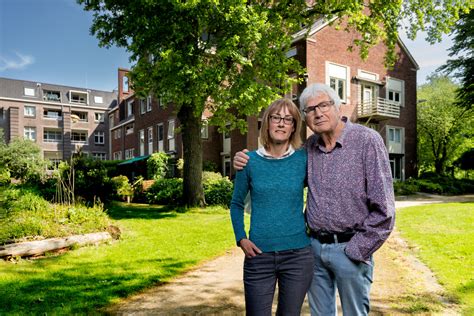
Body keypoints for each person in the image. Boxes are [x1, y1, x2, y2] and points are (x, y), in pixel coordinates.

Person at [233, 83, 395, 315]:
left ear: (338, 107)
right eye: (310, 110)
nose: (318, 113)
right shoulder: (310, 149)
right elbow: (278, 175)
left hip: (351, 248)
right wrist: (243, 159)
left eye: (324, 105)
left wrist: (358, 250)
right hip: (314, 250)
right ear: (306, 119)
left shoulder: (367, 141)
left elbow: (385, 208)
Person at [230, 98, 314, 316]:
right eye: (276, 118)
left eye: (288, 119)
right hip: (259, 256)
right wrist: (241, 238)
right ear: (267, 123)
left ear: (294, 126)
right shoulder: (248, 161)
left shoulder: (303, 159)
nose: (281, 123)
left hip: (298, 256)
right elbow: (236, 204)